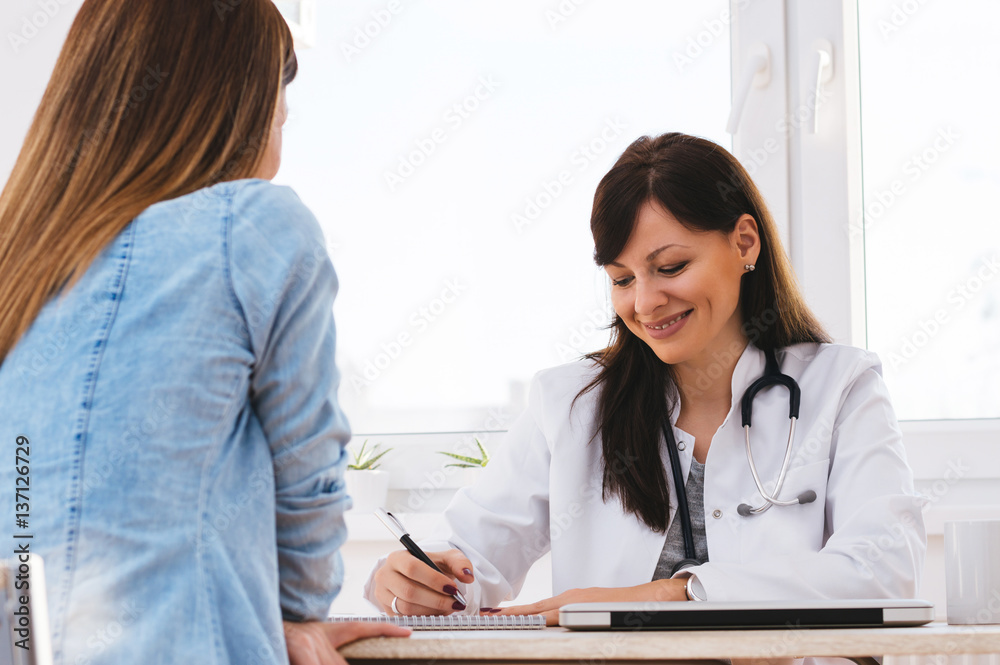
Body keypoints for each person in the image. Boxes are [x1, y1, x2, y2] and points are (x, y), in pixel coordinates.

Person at [365, 133, 927, 634]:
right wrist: (412, 582)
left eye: (672, 267)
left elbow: (884, 569)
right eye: (622, 279)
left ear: (745, 243)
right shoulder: (569, 405)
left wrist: (671, 593)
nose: (645, 303)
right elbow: (469, 565)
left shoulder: (842, 386)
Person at [0, 1, 407, 663]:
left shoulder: (19, 254)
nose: (283, 120)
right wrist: (293, 612)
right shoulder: (255, 226)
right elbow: (306, 477)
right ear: (233, 104)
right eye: (280, 100)